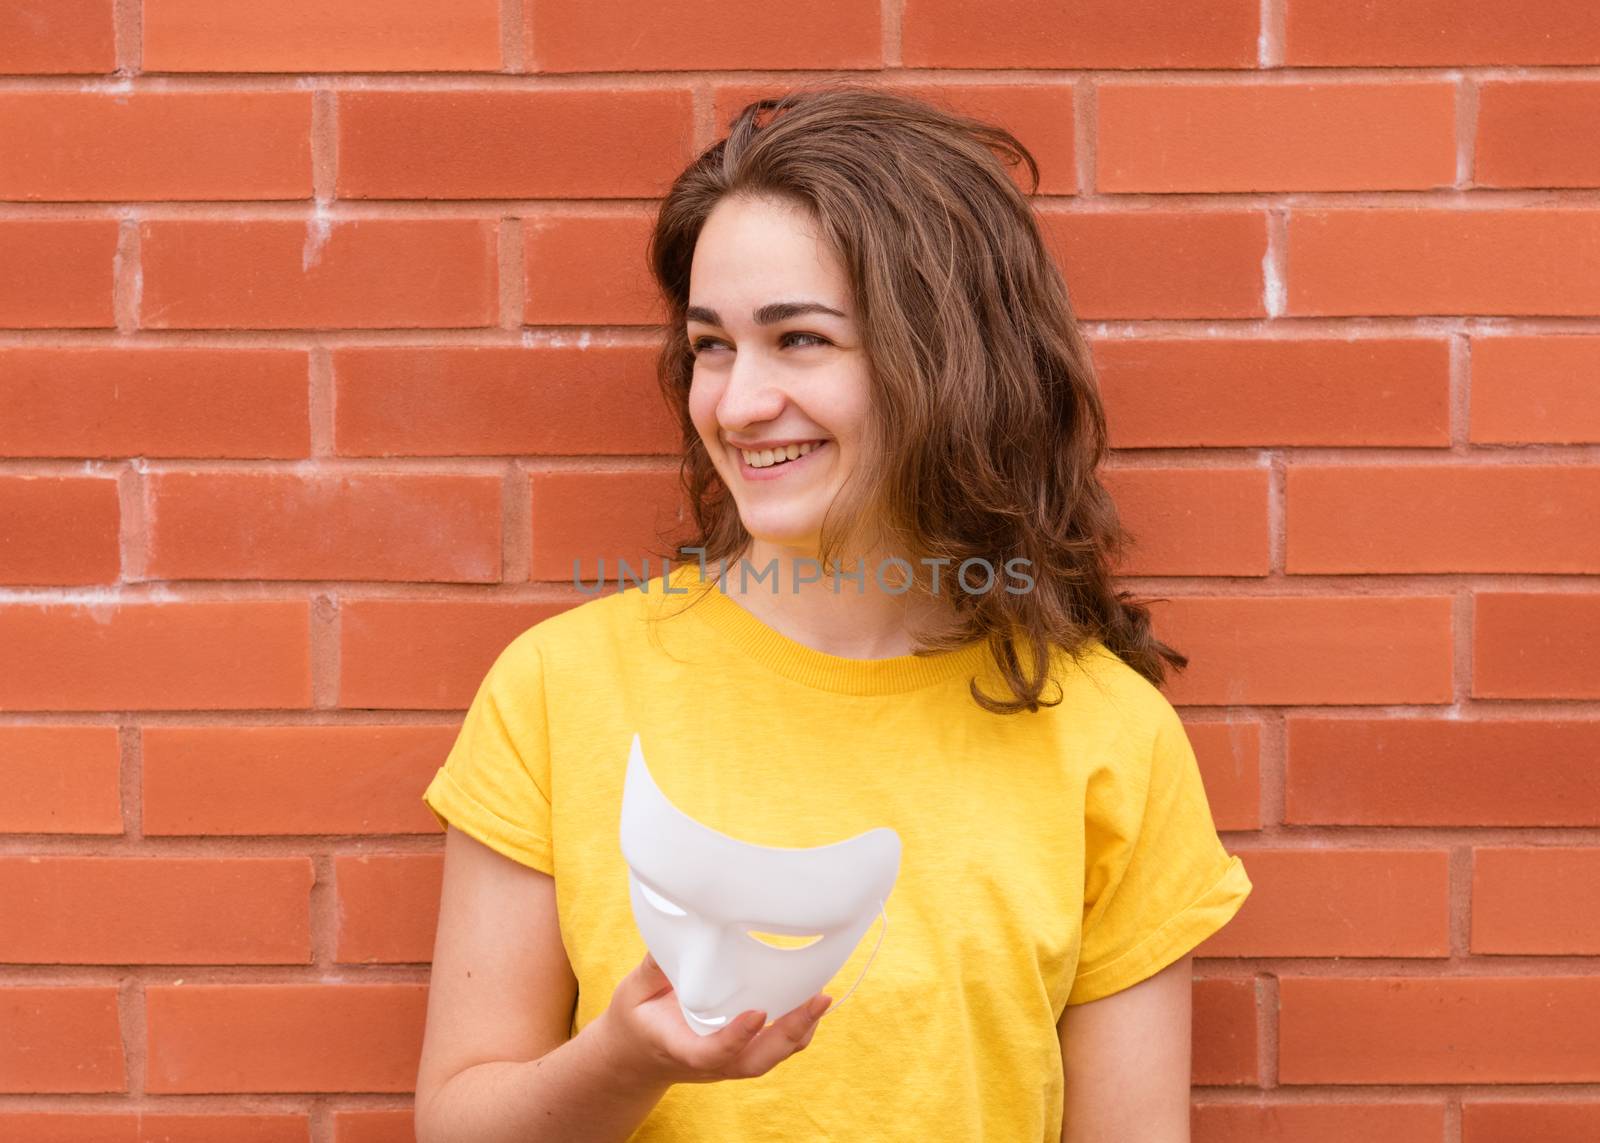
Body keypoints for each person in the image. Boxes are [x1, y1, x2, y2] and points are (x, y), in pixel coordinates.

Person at [412, 81, 1253, 1143]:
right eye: (711, 343)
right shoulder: (560, 687)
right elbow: (457, 1127)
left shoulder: (1103, 734)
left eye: (798, 340)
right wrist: (623, 1062)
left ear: (944, 361)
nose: (736, 401)